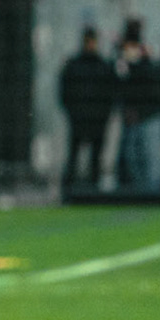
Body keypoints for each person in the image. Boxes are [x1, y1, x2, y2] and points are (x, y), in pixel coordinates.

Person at [58, 27, 113, 196]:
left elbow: (110, 94)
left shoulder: (102, 66)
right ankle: (69, 191)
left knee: (95, 158)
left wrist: (104, 115)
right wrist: (73, 112)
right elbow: (65, 92)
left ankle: (93, 191)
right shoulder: (75, 65)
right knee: (74, 156)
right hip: (79, 119)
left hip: (97, 120)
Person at [114, 18, 159, 191]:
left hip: (146, 112)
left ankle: (147, 192)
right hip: (133, 113)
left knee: (146, 156)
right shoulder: (123, 55)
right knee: (133, 155)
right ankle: (135, 191)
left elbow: (149, 80)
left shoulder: (143, 53)